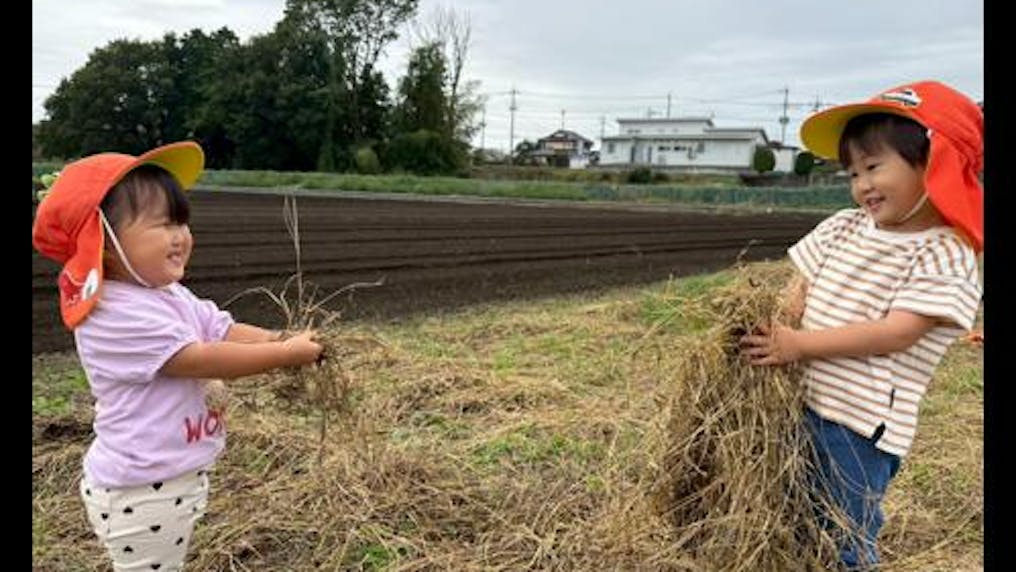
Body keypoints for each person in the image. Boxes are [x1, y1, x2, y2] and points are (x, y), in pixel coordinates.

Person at [32, 141, 324, 571]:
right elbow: (199, 358)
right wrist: (283, 355)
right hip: (141, 489)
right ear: (105, 242)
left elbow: (221, 328)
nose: (181, 236)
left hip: (173, 477)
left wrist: (279, 336)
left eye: (183, 222)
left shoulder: (166, 293)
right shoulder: (112, 313)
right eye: (164, 224)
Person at [739, 80, 982, 570]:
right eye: (852, 172)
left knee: (843, 536)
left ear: (934, 163)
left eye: (874, 167)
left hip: (857, 427)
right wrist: (778, 330)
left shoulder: (944, 252)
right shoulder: (843, 226)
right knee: (797, 519)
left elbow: (898, 332)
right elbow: (801, 288)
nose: (861, 185)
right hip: (800, 402)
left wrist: (799, 345)